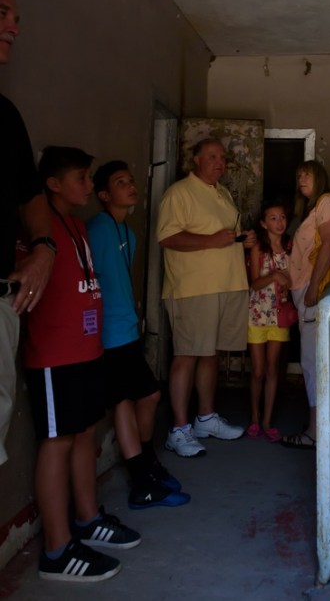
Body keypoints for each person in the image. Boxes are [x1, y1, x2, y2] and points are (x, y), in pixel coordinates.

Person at [24, 146, 140, 582]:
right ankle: (56, 550)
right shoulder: (41, 231)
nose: (89, 186)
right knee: (56, 441)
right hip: (55, 355)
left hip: (88, 349)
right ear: (53, 183)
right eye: (81, 178)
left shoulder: (77, 224)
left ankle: (87, 519)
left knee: (85, 432)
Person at [87, 161, 189, 509]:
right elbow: (94, 283)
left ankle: (146, 467)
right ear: (103, 195)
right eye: (121, 183)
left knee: (143, 397)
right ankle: (142, 477)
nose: (131, 186)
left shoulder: (126, 232)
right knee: (131, 399)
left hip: (127, 326)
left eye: (131, 181)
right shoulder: (99, 228)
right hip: (109, 332)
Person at [157, 137, 257, 456]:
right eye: (212, 156)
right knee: (187, 354)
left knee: (211, 353)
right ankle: (179, 428)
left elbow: (225, 237)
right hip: (192, 289)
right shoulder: (179, 193)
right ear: (196, 159)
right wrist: (211, 240)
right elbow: (167, 237)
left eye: (223, 158)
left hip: (225, 285)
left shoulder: (223, 193)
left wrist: (244, 240)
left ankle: (206, 418)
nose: (219, 162)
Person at [0, 0, 55, 467]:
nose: (14, 26)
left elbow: (30, 197)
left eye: (15, 16)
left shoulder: (5, 116)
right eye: (2, 13)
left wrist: (43, 249)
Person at [282, 160, 330, 450]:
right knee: (317, 360)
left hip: (314, 293)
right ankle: (325, 425)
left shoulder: (327, 202)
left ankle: (316, 430)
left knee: (313, 362)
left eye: (306, 173)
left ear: (319, 177)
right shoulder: (310, 209)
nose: (300, 178)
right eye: (297, 174)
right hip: (306, 292)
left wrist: (315, 286)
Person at [246, 200, 293, 442]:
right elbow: (254, 283)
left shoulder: (290, 248)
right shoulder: (258, 250)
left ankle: (267, 421)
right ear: (264, 223)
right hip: (257, 315)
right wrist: (275, 276)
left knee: (273, 369)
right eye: (273, 218)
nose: (279, 222)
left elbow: (294, 282)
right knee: (258, 370)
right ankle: (254, 418)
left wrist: (286, 280)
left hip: (280, 317)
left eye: (282, 217)